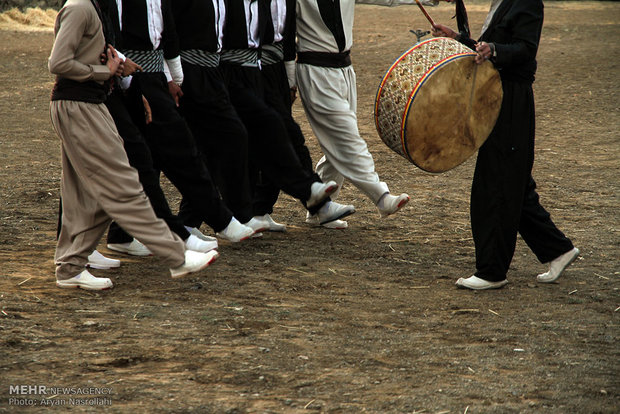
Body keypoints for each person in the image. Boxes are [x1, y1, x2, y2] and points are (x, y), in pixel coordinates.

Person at [49, 0, 218, 290]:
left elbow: (92, 57)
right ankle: (176, 257)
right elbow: (58, 63)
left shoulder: (95, 8)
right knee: (124, 184)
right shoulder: (80, 7)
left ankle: (71, 266)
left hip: (92, 102)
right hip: (78, 105)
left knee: (86, 192)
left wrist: (116, 70)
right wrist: (105, 71)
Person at [431, 0, 579, 289]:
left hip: (512, 100)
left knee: (497, 185)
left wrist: (495, 50)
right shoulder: (503, 2)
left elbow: (525, 49)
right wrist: (459, 39)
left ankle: (492, 272)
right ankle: (558, 250)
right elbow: (488, 49)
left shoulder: (527, 2)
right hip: (497, 96)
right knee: (514, 183)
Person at [285, 0, 411, 225]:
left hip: (345, 70)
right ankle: (381, 197)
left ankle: (320, 210)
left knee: (337, 143)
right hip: (315, 71)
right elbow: (284, 32)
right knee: (346, 137)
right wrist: (290, 78)